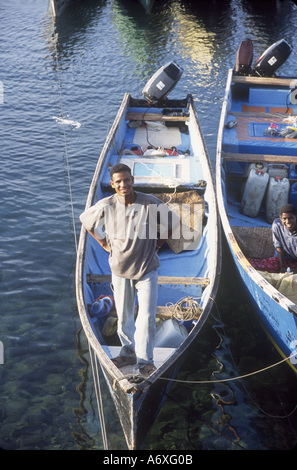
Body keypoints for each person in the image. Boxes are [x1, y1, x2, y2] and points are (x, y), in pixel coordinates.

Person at [80, 163, 179, 377]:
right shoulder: (107, 205)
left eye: (126, 180)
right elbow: (86, 220)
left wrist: (158, 245)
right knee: (124, 317)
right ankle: (127, 353)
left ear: (132, 180)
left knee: (146, 317)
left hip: (147, 270)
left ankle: (145, 361)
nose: (123, 184)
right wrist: (103, 243)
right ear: (112, 184)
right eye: (118, 181)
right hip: (120, 271)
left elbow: (173, 223)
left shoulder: (150, 203)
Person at [272, 203, 297, 273]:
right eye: (284, 219)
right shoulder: (277, 224)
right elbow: (279, 246)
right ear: (280, 218)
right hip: (285, 257)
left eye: (291, 218)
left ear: (296, 216)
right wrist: (282, 266)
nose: (288, 222)